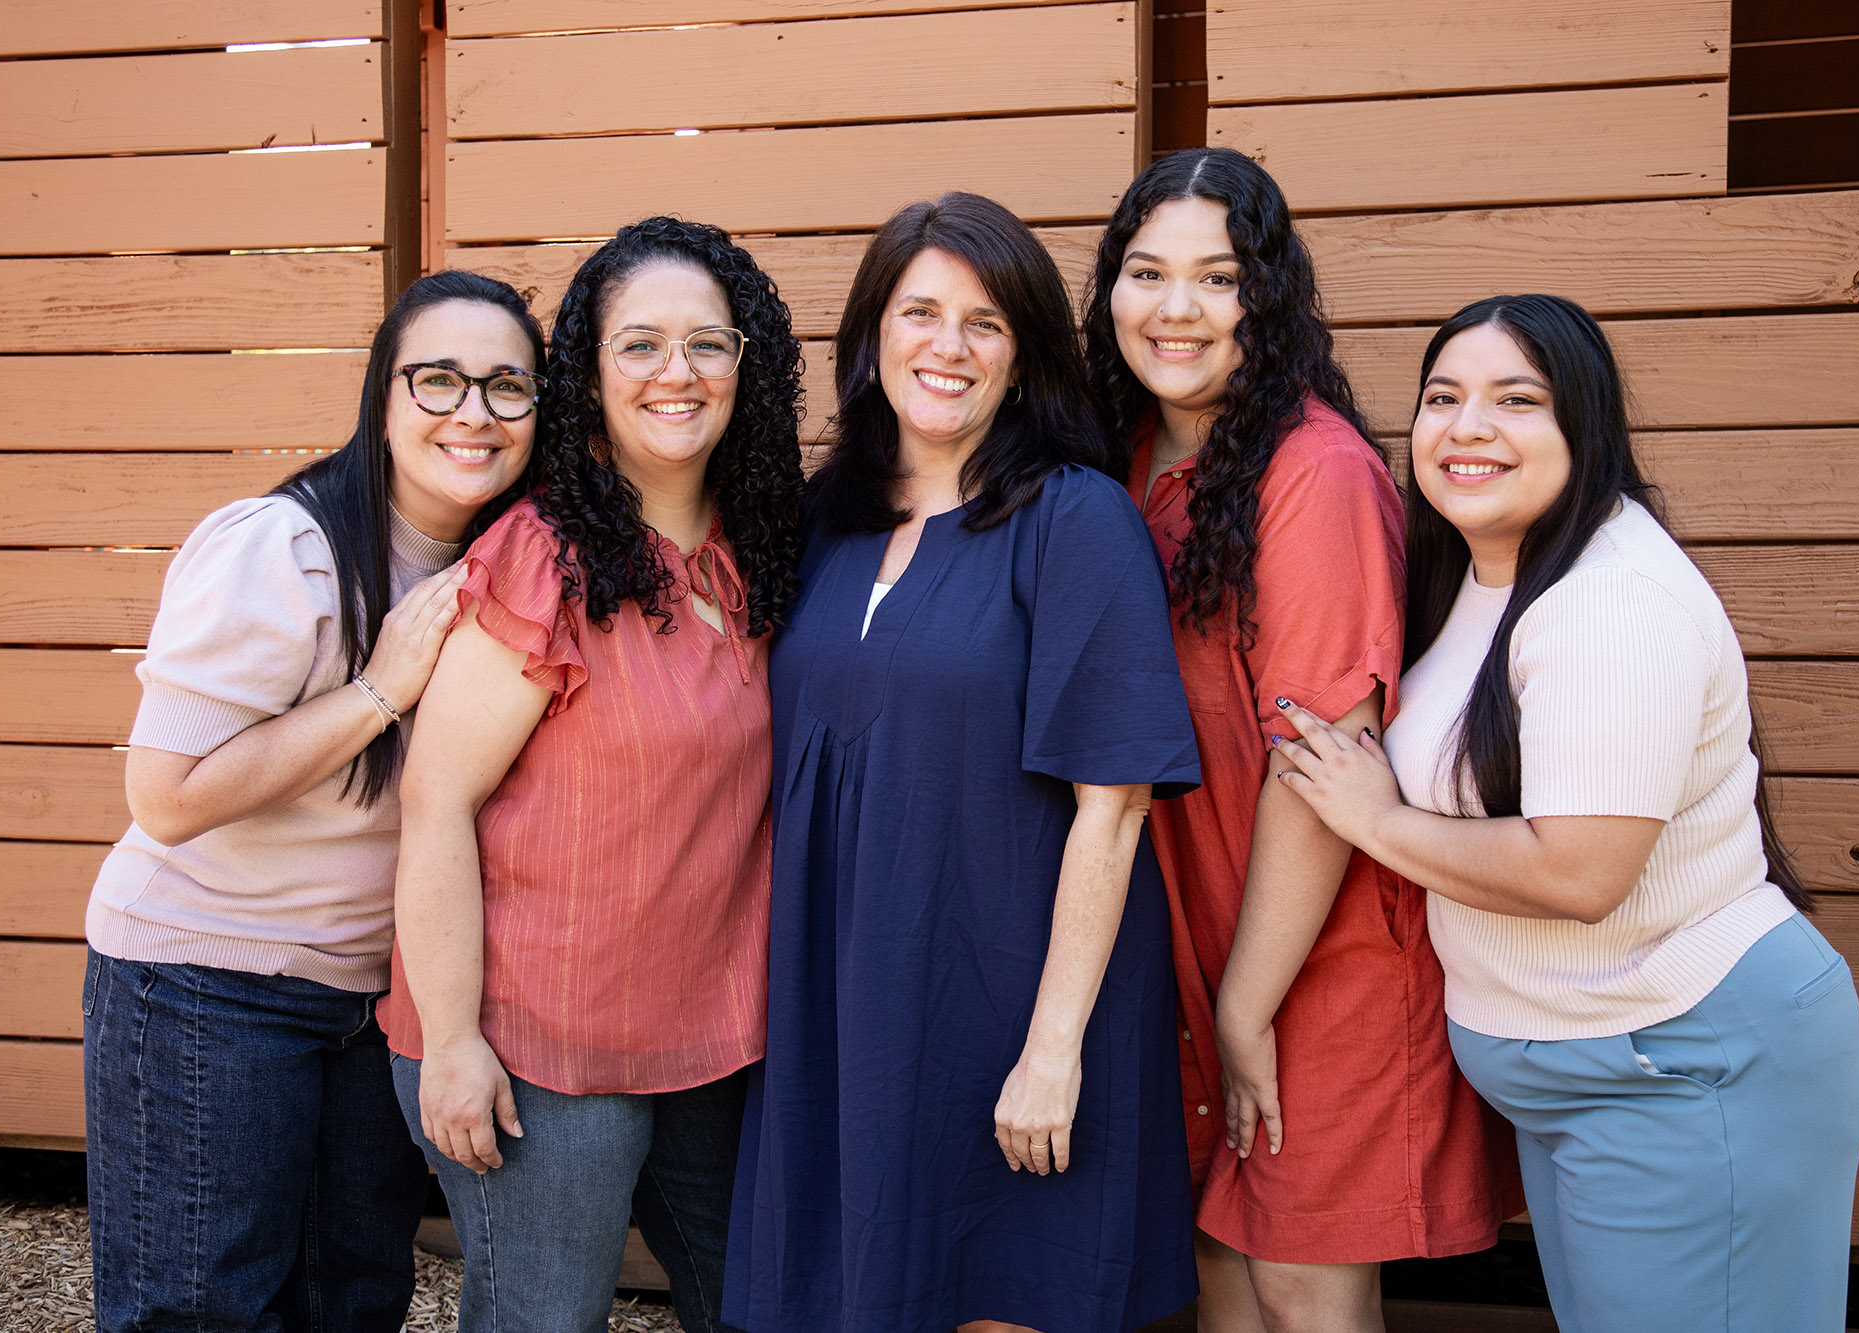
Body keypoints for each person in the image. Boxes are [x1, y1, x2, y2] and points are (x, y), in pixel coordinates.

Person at [1271, 293, 1859, 1333]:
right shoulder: (1480, 573)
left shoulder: (1609, 602)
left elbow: (1578, 874)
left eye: (1516, 400)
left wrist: (1369, 819)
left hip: (1682, 1072)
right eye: (1441, 397)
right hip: (1583, 1078)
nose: (1466, 428)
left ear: (1582, 423)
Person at [723, 192, 1202, 1333]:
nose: (947, 345)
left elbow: (1114, 806)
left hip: (1012, 1003)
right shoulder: (820, 520)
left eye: (983, 322)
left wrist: (1051, 1051)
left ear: (1023, 354)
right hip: (845, 1002)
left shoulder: (1072, 519)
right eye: (919, 312)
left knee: (1000, 1295)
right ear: (871, 334)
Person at [1082, 146, 1519, 1331]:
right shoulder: (1116, 461)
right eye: (1145, 272)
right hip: (1188, 941)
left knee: (1301, 1291)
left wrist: (1243, 1006)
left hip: (1308, 957)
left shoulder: (1312, 470)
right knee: (1221, 1271)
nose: (1174, 309)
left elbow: (1319, 768)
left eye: (1216, 278)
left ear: (1265, 299)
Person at [81, 270, 546, 1332]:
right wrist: (378, 691)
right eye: (438, 380)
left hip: (369, 1001)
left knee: (354, 1301)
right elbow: (167, 795)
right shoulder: (279, 548)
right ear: (384, 397)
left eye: (506, 387)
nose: (472, 412)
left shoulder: (511, 563)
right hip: (204, 980)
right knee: (202, 1311)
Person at [379, 217, 805, 1333]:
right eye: (641, 345)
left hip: (713, 1034)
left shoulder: (754, 550)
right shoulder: (544, 554)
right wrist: (456, 1040)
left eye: (709, 345)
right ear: (589, 372)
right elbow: (436, 801)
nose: (678, 372)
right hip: (539, 1039)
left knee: (760, 1303)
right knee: (542, 1318)